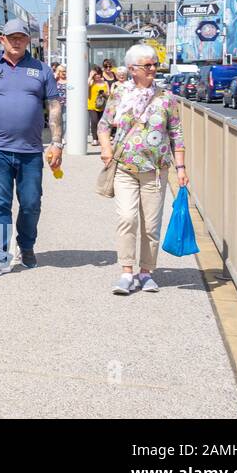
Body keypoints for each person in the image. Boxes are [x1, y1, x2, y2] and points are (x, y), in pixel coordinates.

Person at [0, 18, 63, 275]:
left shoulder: (42, 70)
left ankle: (27, 245)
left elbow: (54, 107)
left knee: (31, 203)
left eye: (21, 37)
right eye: (12, 37)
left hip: (31, 151)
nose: (17, 41)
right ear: (2, 40)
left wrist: (56, 143)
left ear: (27, 40)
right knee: (0, 203)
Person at [98, 43, 186, 295]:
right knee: (127, 217)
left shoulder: (166, 97)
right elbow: (104, 126)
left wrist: (180, 167)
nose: (153, 69)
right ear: (132, 68)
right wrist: (106, 149)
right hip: (124, 167)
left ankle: (146, 272)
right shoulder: (120, 94)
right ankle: (126, 272)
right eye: (147, 65)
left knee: (151, 225)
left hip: (156, 170)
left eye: (155, 64)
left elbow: (176, 134)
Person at [86, 66, 109, 145]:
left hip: (102, 106)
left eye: (98, 74)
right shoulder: (91, 82)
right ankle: (95, 139)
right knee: (94, 121)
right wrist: (90, 76)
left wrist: (104, 94)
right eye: (95, 74)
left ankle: (100, 138)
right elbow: (85, 86)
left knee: (101, 122)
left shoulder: (105, 83)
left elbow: (108, 94)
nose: (97, 76)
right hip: (92, 105)